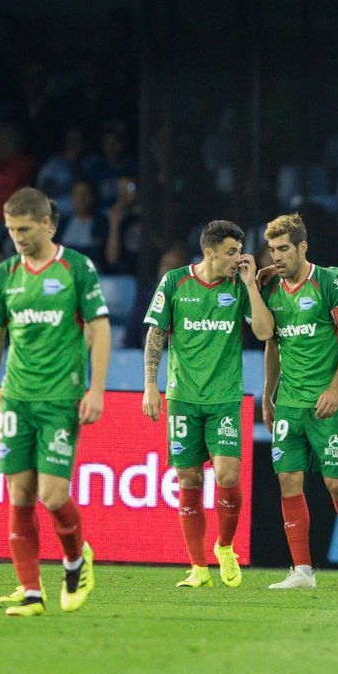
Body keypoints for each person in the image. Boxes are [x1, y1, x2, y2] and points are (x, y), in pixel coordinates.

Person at [0, 187, 110, 617]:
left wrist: (96, 390)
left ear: (47, 224)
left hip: (60, 398)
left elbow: (99, 330)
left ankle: (75, 561)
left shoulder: (76, 268)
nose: (18, 238)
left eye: (25, 229)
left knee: (52, 494)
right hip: (15, 399)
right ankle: (31, 592)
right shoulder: (5, 273)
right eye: (11, 230)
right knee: (19, 494)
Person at [142, 219, 275, 588]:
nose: (239, 258)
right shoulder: (174, 283)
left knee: (228, 477)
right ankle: (198, 568)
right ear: (210, 252)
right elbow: (156, 334)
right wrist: (150, 385)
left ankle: (225, 546)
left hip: (225, 400)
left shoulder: (239, 286)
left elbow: (265, 332)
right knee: (189, 479)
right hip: (183, 399)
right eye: (232, 252)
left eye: (240, 251)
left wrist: (250, 285)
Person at [258, 213, 338, 589]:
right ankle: (303, 571)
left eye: (283, 249)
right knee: (288, 481)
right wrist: (268, 394)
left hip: (327, 402)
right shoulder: (270, 288)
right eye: (272, 249)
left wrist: (335, 387)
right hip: (290, 402)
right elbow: (272, 345)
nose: (276, 257)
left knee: (336, 485)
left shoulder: (329, 282)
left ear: (302, 247)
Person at [55, 180, 107, 261]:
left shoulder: (101, 224)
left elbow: (99, 254)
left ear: (93, 197)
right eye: (77, 194)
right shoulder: (61, 224)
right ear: (72, 198)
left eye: (85, 194)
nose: (81, 198)